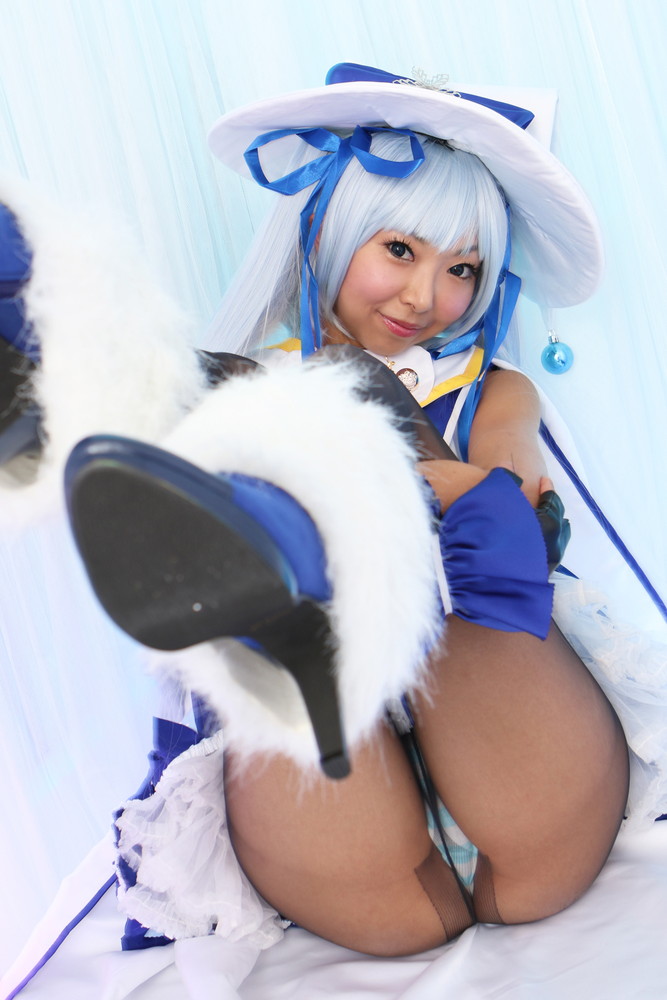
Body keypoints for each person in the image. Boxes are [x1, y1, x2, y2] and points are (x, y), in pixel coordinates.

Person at [3, 62, 666, 997]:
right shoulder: (244, 384)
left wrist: (378, 470)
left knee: (350, 407)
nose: (426, 295)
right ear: (324, 230)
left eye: (461, 269)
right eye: (399, 249)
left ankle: (275, 509)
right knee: (258, 411)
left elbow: (517, 510)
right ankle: (109, 406)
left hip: (527, 796)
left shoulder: (492, 390)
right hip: (357, 858)